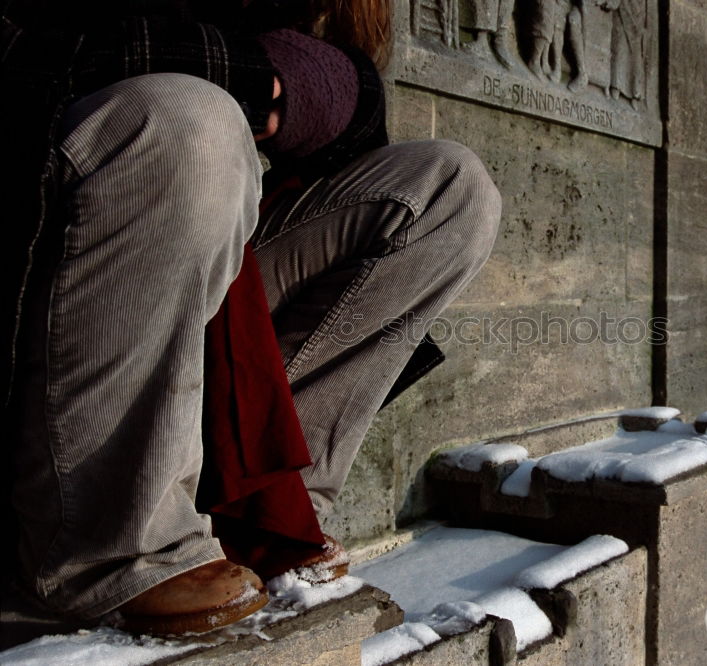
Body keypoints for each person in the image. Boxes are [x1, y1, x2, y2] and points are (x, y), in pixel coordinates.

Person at [1, 0, 501, 635]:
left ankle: (269, 512)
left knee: (449, 187)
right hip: (56, 217)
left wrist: (308, 87)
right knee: (194, 120)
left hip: (187, 240)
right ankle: (101, 555)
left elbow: (349, 131)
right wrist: (232, 70)